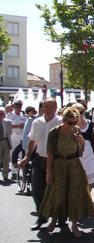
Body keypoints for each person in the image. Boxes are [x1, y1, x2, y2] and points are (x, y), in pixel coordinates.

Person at [40, 107, 94, 237]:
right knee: (58, 193)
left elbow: (80, 151)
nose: (72, 125)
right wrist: (49, 172)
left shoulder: (76, 131)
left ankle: (74, 224)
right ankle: (54, 220)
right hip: (59, 165)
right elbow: (50, 154)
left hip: (74, 165)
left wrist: (81, 142)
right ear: (64, 120)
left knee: (74, 194)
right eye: (69, 123)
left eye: (74, 122)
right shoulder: (55, 132)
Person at [19, 99, 62, 231]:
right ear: (43, 108)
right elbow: (32, 141)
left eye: (51, 107)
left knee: (56, 190)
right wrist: (26, 157)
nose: (48, 109)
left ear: (56, 107)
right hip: (39, 159)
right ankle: (42, 216)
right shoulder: (37, 122)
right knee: (36, 188)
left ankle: (60, 216)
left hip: (56, 161)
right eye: (46, 106)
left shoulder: (61, 121)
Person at [74, 103, 94, 185]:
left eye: (81, 112)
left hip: (89, 156)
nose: (79, 114)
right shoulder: (71, 126)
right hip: (76, 156)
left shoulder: (90, 124)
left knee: (90, 182)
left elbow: (93, 139)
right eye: (76, 111)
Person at [7, 100, 27, 179]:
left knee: (22, 153)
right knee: (13, 153)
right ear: (14, 107)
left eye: (20, 106)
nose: (19, 107)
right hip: (13, 136)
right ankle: (14, 171)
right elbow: (7, 126)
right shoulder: (9, 115)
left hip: (22, 136)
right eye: (17, 106)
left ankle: (22, 170)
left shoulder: (24, 116)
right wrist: (17, 126)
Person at [0, 107, 13, 184]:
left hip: (6, 141)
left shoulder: (8, 122)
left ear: (4, 114)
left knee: (6, 160)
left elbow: (10, 132)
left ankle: (5, 176)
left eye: (2, 113)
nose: (1, 115)